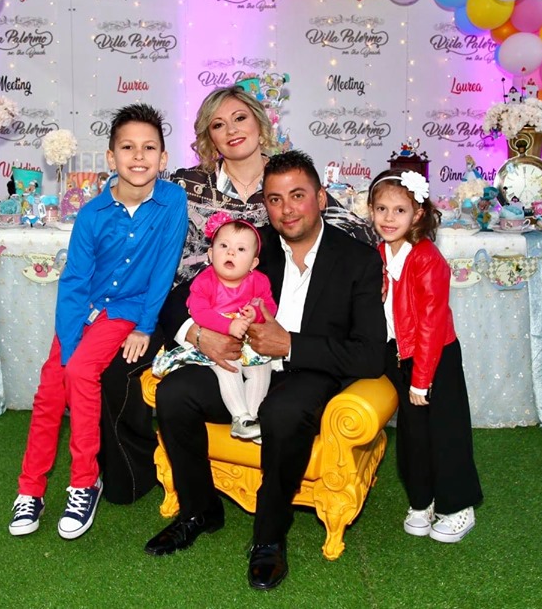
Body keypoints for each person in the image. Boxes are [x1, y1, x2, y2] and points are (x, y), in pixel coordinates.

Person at [94, 85, 374, 506]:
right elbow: (136, 214)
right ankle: (130, 478)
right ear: (208, 137)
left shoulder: (284, 181)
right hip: (183, 304)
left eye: (240, 118)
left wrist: (381, 265)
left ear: (260, 124)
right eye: (218, 125)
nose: (231, 130)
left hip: (255, 315)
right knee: (118, 364)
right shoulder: (186, 184)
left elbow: (351, 228)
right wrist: (193, 331)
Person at [144, 151, 386, 591]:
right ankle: (199, 511)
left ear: (321, 198)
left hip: (309, 371)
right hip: (245, 366)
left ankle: (269, 536)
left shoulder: (358, 260)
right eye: (274, 199)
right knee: (174, 393)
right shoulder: (254, 248)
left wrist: (290, 345)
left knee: (282, 412)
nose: (286, 209)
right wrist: (199, 335)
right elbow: (179, 299)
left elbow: (371, 354)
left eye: (297, 196)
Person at [8, 103, 187, 539]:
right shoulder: (92, 213)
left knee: (82, 372)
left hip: (127, 311)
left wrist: (145, 326)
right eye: (128, 147)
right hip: (84, 310)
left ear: (163, 157)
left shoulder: (172, 201)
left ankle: (85, 482)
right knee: (50, 388)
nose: (139, 156)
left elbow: (164, 269)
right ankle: (30, 489)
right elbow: (74, 282)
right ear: (111, 157)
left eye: (149, 148)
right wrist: (67, 347)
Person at [367, 169, 482, 544]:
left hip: (434, 357)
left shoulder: (427, 258)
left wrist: (421, 380)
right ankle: (422, 501)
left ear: (417, 214)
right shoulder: (380, 252)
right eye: (381, 209)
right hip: (401, 355)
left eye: (399, 210)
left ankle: (458, 506)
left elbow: (432, 322)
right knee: (413, 436)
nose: (388, 218)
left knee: (446, 433)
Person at [152, 211, 278, 441]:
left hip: (247, 341)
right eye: (224, 246)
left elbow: (269, 306)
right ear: (210, 254)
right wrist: (228, 326)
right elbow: (199, 312)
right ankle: (240, 416)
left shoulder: (259, 281)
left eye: (241, 249)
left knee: (261, 368)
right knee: (228, 365)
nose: (231, 252)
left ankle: (252, 418)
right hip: (214, 338)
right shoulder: (205, 281)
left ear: (253, 263)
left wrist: (256, 314)